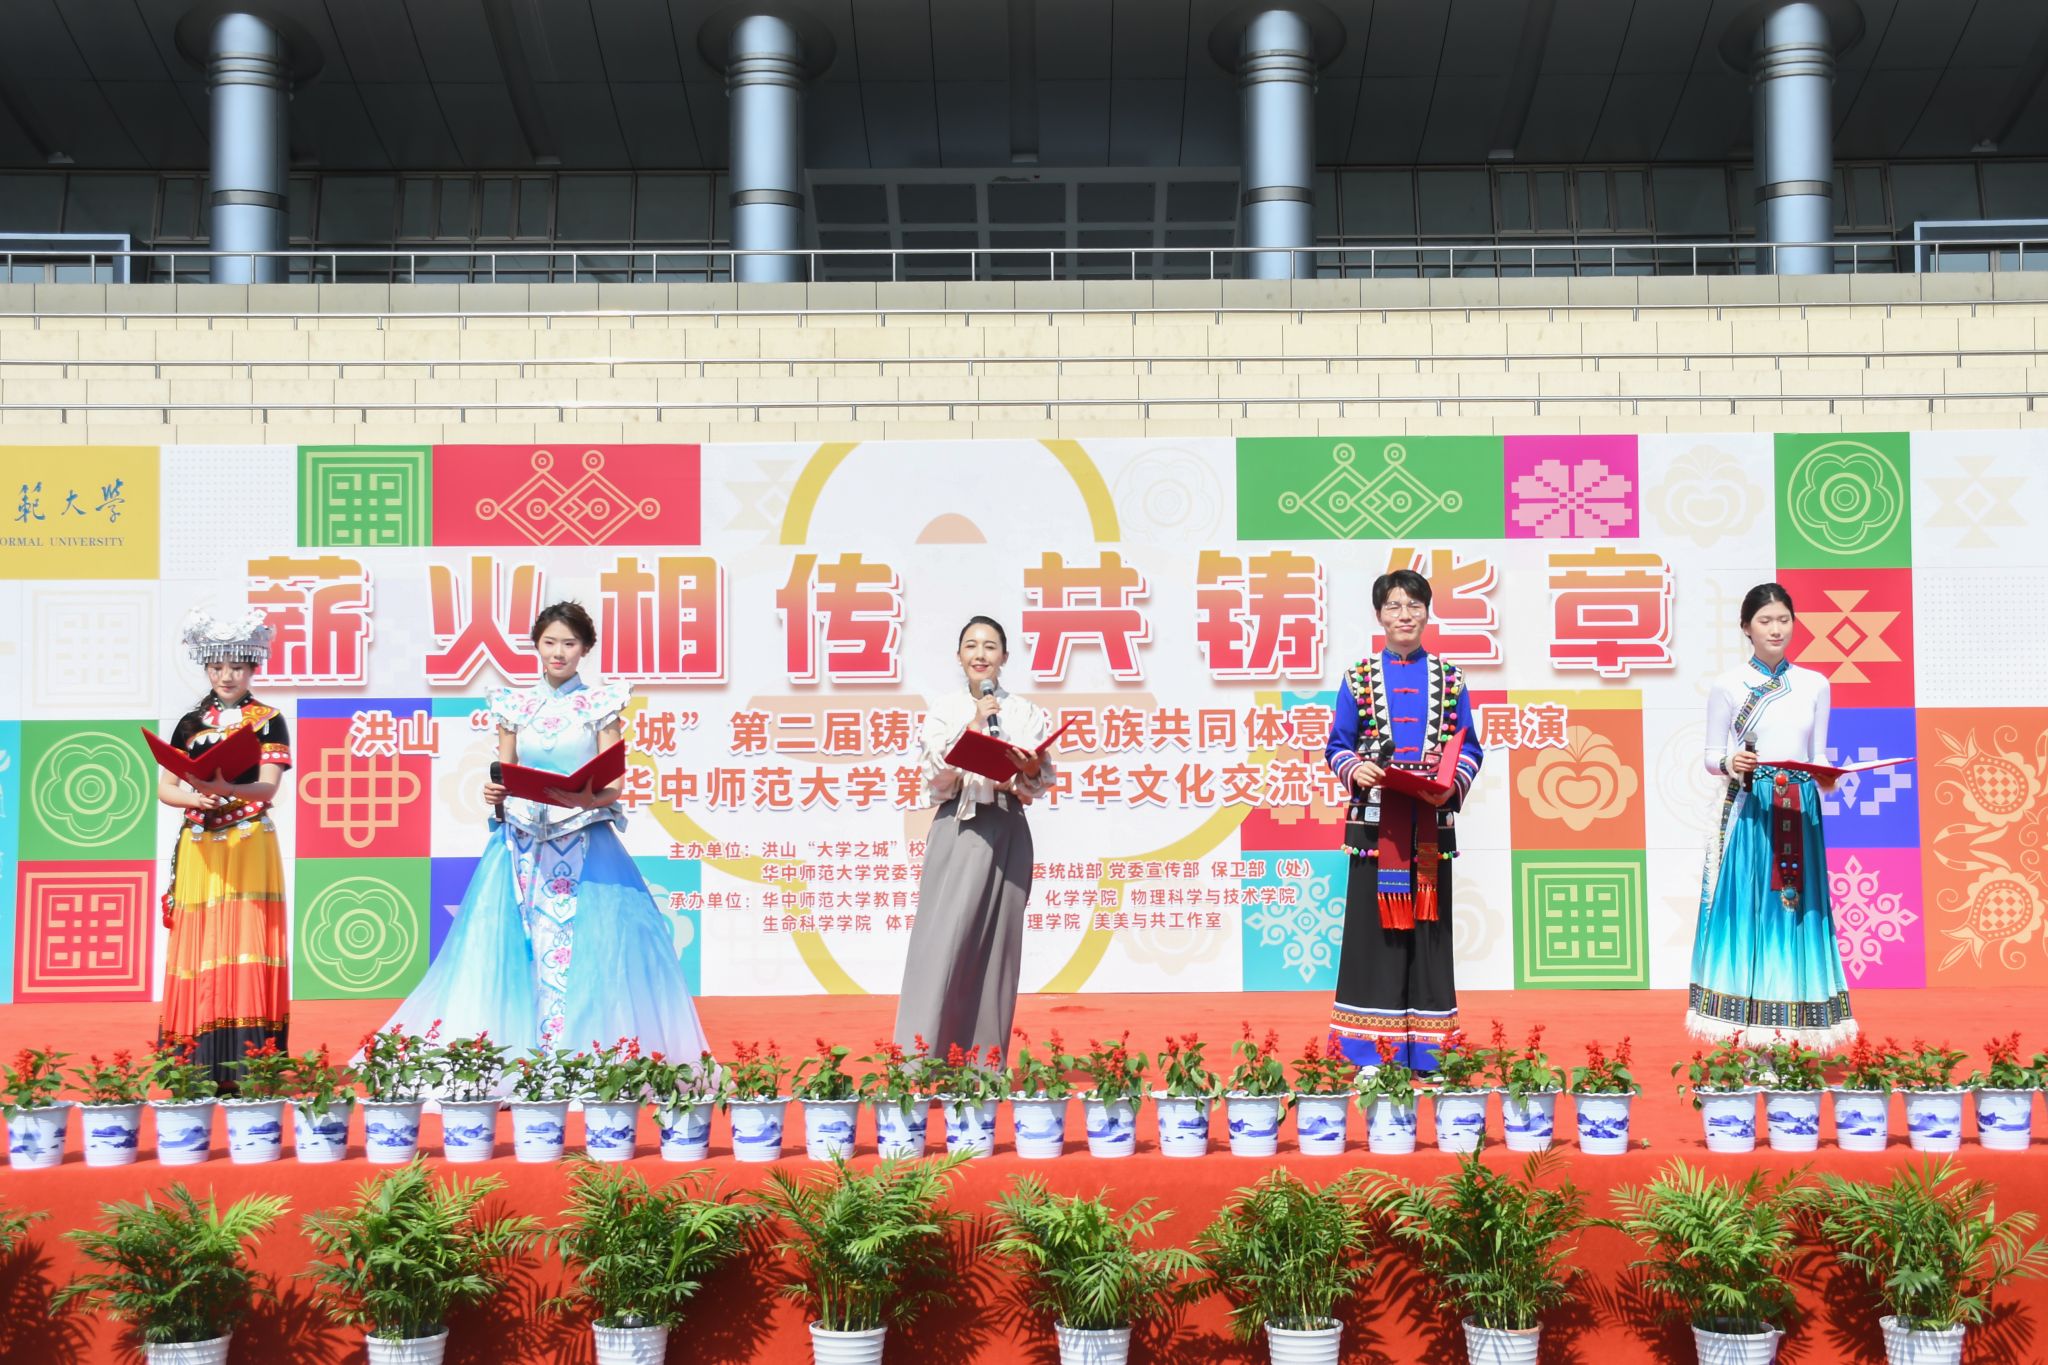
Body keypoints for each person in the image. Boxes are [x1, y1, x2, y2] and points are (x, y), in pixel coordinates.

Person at [373, 601, 708, 1063]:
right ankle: (514, 1058)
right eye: (550, 642)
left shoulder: (601, 704)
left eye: (569, 643)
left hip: (584, 840)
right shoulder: (514, 705)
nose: (558, 653)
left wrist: (591, 798)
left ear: (585, 648)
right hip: (521, 844)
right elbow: (507, 771)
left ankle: (586, 1055)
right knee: (516, 947)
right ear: (536, 645)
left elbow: (614, 783)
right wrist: (495, 791)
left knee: (591, 951)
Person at [1323, 570, 1483, 1072]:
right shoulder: (1358, 677)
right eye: (1393, 606)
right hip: (1376, 825)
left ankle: (1431, 1051)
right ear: (1379, 616)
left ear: (1427, 613)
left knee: (1430, 932)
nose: (1404, 615)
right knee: (1375, 934)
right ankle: (1370, 1050)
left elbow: (1470, 748)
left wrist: (1451, 785)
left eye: (1414, 605)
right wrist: (1357, 768)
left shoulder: (1451, 678)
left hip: (1430, 822)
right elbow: (1336, 745)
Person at [1687, 582, 1857, 1046]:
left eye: (1783, 619)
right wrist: (1732, 761)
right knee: (1752, 909)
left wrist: (1828, 776)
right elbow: (1711, 757)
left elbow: (1818, 755)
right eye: (1765, 620)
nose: (1776, 629)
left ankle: (1796, 1031)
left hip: (1799, 810)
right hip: (1754, 808)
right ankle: (1749, 1035)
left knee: (1797, 912)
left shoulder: (1815, 684)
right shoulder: (1728, 685)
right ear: (1746, 627)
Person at [894, 616, 1055, 1059]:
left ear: (1004, 656)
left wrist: (1028, 768)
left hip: (1007, 825)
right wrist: (974, 723)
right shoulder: (945, 708)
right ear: (959, 655)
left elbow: (1037, 779)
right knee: (942, 940)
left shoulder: (1023, 711)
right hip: (960, 826)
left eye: (989, 646)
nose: (980, 654)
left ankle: (984, 1064)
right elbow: (935, 774)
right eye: (971, 645)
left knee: (1000, 947)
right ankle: (919, 1059)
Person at [158, 609, 293, 1091]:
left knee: (247, 939)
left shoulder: (268, 721)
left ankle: (250, 1065)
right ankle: (196, 1066)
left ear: (253, 667)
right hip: (201, 843)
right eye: (217, 667)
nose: (227, 676)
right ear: (207, 669)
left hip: (248, 840)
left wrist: (226, 788)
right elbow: (166, 787)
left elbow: (268, 787)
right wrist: (196, 798)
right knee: (203, 941)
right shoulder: (190, 722)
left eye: (237, 666)